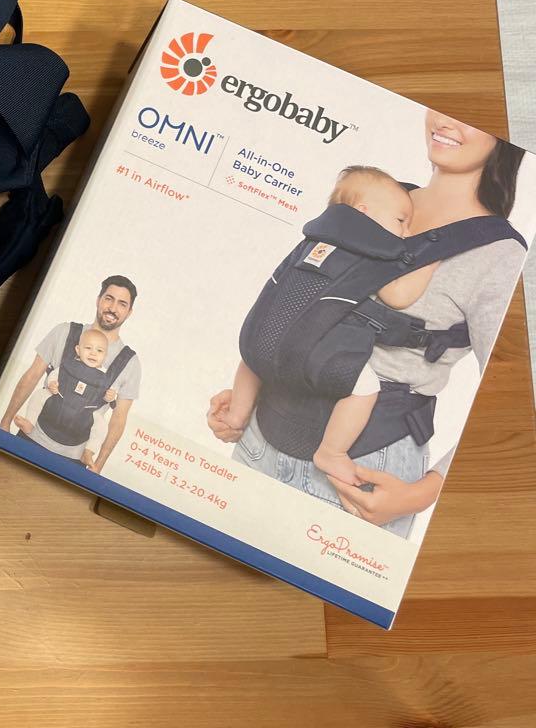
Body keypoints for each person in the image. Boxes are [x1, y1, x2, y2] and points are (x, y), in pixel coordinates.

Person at [208, 110, 526, 538]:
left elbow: (517, 403)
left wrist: (423, 493)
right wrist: (252, 390)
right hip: (260, 439)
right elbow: (300, 299)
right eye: (444, 106)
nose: (447, 120)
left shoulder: (501, 256)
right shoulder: (374, 196)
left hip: (363, 473)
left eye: (474, 116)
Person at [219, 166, 414, 486]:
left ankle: (237, 414)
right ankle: (332, 452)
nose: (406, 232)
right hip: (309, 353)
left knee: (255, 358)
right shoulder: (372, 252)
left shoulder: (311, 243)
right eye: (401, 220)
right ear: (364, 213)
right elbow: (400, 296)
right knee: (366, 387)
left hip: (260, 337)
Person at [0, 275, 142, 473]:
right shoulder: (64, 332)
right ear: (98, 300)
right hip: (31, 437)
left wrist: (98, 466)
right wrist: (5, 422)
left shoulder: (130, 363)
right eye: (108, 298)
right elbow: (32, 375)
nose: (113, 307)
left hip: (75, 458)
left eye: (122, 304)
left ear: (129, 312)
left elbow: (118, 419)